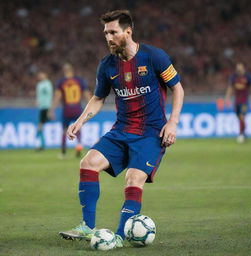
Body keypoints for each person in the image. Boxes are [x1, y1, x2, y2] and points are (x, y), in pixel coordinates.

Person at [59, 10, 184, 248]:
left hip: (151, 133)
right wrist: (80, 120)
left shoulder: (154, 57)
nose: (108, 37)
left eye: (113, 32)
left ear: (128, 32)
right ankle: (87, 226)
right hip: (121, 130)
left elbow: (177, 88)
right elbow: (98, 98)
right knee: (88, 162)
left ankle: (118, 236)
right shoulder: (107, 65)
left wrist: (173, 123)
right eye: (105, 33)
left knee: (133, 179)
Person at [49, 63, 91, 158]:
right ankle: (79, 145)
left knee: (64, 130)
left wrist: (52, 110)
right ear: (72, 70)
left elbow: (57, 97)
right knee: (78, 129)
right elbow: (87, 94)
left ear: (64, 71)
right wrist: (90, 107)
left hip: (67, 109)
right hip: (77, 108)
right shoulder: (79, 81)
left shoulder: (62, 82)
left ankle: (63, 152)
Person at [225, 62, 251, 143]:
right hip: (236, 101)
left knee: (242, 116)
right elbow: (230, 88)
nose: (238, 69)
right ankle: (243, 133)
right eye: (237, 68)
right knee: (239, 118)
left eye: (240, 68)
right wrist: (227, 98)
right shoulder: (233, 77)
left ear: (243, 68)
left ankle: (241, 134)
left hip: (244, 101)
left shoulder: (248, 77)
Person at [35, 70, 53, 151]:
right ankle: (41, 144)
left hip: (47, 107)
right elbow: (39, 96)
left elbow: (50, 95)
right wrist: (37, 101)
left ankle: (41, 145)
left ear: (45, 75)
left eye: (41, 74)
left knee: (40, 126)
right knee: (40, 126)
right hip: (42, 107)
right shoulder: (39, 84)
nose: (40, 76)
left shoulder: (48, 84)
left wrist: (50, 109)